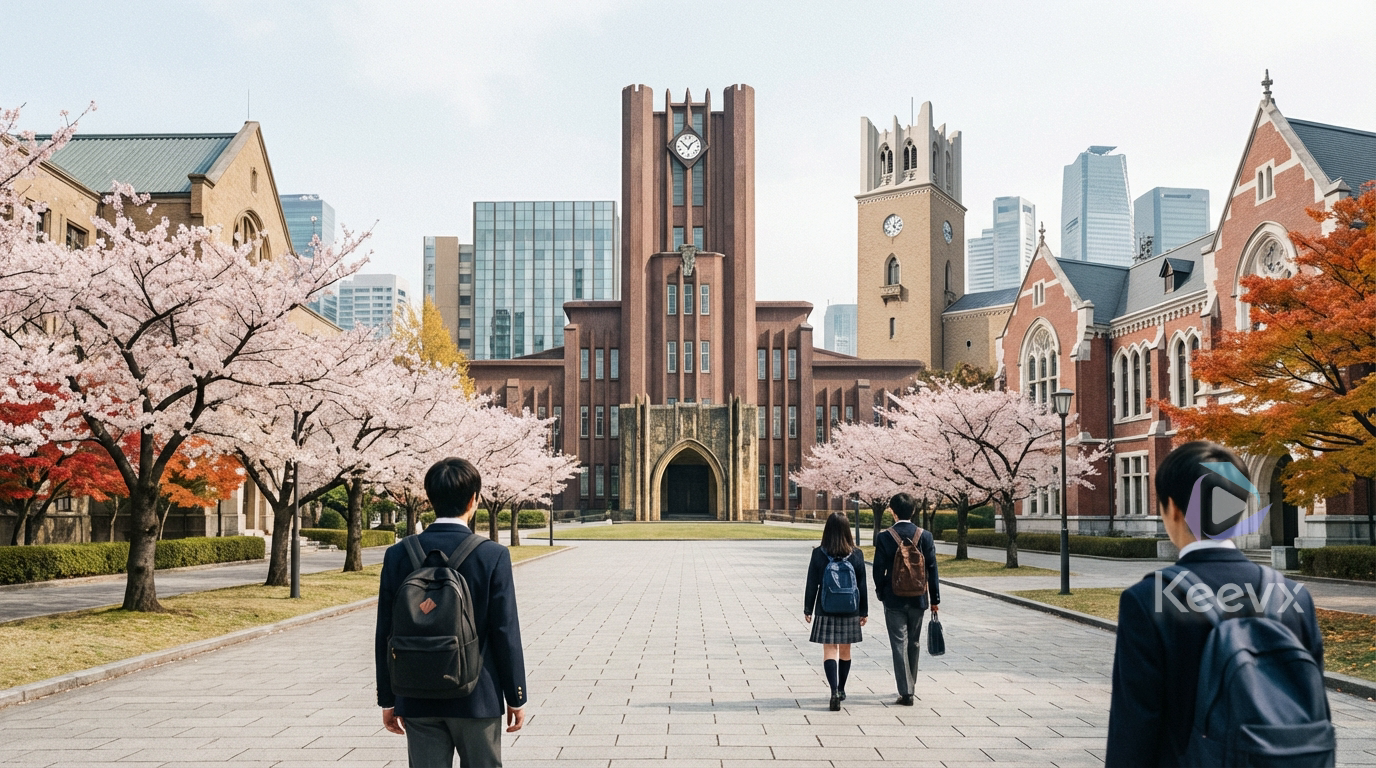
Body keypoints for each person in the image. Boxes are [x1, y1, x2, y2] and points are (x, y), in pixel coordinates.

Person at [1106, 441, 1327, 766]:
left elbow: (1135, 727)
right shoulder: (1293, 596)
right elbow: (1314, 711)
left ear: (1173, 509)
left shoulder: (1148, 599)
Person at [375, 457, 527, 767]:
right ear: (474, 499)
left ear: (429, 499)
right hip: (477, 696)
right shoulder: (492, 555)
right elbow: (504, 631)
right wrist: (516, 695)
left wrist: (388, 699)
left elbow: (385, 632)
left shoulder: (398, 555)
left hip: (417, 694)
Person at [871, 492, 940, 706]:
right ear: (913, 511)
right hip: (919, 598)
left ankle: (906, 690)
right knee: (915, 642)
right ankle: (912, 685)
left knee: (898, 643)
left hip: (893, 598)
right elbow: (932, 569)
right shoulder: (925, 536)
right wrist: (935, 599)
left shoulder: (885, 537)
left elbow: (877, 570)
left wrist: (881, 591)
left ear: (892, 511)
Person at [804, 511, 868, 711]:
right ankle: (841, 688)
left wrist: (808, 608)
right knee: (845, 650)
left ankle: (833, 691)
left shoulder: (818, 553)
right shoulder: (856, 554)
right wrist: (863, 611)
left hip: (826, 607)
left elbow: (811, 583)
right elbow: (862, 585)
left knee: (829, 649)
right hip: (850, 608)